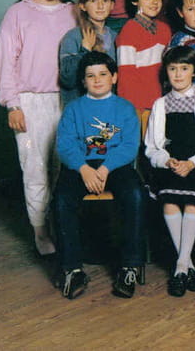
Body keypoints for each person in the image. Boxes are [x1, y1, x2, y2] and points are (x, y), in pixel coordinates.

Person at [0, 0, 76, 256]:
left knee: (63, 168)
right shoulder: (18, 13)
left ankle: (62, 227)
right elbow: (5, 60)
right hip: (29, 102)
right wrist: (12, 104)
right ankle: (41, 231)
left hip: (66, 100)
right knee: (35, 168)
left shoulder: (73, 12)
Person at [53, 51, 145, 299]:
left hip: (115, 165)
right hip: (80, 165)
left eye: (103, 74)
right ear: (83, 81)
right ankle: (72, 269)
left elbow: (129, 146)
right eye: (90, 76)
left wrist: (105, 169)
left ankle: (129, 267)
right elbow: (65, 145)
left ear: (114, 77)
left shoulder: (124, 108)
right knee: (62, 199)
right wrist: (83, 169)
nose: (97, 80)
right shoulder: (73, 109)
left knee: (135, 194)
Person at [144, 46, 195, 296]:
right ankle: (187, 266)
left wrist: (192, 163)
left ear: (194, 72)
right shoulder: (160, 105)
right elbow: (152, 147)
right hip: (171, 164)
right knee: (169, 199)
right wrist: (167, 161)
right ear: (166, 72)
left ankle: (180, 266)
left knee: (191, 200)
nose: (178, 74)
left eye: (184, 69)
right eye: (173, 69)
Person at [115, 0, 172, 112]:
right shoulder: (129, 30)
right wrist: (132, 110)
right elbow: (126, 77)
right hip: (138, 105)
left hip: (162, 102)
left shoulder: (165, 29)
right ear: (135, 1)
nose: (155, 1)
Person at [59, 0, 117, 105]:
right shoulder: (73, 37)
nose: (100, 6)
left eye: (105, 0)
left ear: (112, 5)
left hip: (109, 108)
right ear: (83, 6)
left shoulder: (116, 37)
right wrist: (84, 50)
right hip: (81, 109)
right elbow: (67, 80)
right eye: (93, 1)